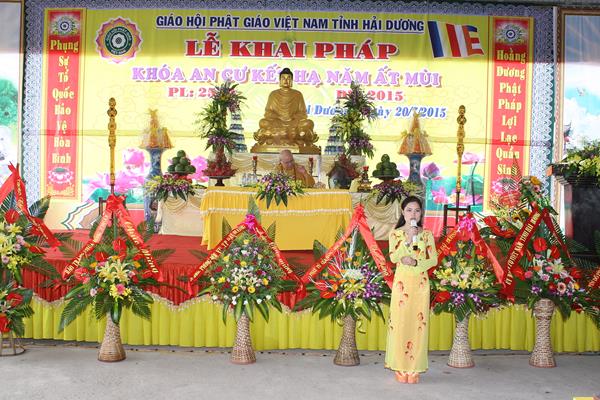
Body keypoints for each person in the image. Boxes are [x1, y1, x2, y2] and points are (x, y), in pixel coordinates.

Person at [385, 195, 438, 384]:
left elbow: (433, 259)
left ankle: (414, 367)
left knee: (418, 325)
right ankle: (400, 365)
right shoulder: (395, 234)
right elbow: (394, 257)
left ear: (421, 213)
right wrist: (408, 238)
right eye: (409, 210)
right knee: (400, 323)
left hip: (420, 285)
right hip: (402, 284)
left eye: (416, 210)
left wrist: (417, 263)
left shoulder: (427, 234)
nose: (413, 214)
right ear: (403, 212)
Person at [252, 68, 319, 153]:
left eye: (288, 78)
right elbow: (268, 112)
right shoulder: (273, 94)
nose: (286, 80)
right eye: (283, 78)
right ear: (280, 80)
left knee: (309, 123)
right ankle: (293, 135)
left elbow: (303, 114)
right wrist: (277, 117)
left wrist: (293, 118)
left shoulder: (298, 94)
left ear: (291, 81)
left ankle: (277, 134)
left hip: (293, 123)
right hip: (277, 123)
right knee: (263, 122)